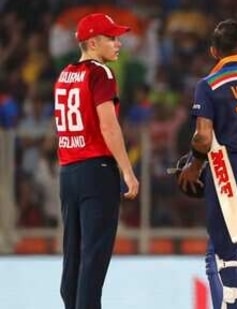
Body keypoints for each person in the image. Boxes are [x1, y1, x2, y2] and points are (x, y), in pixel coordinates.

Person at [177, 19, 237, 308]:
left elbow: (203, 138)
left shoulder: (209, 85)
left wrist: (193, 163)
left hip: (229, 171)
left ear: (214, 51)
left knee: (227, 254)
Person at [53, 13, 139, 309]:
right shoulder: (101, 74)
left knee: (72, 258)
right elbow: (109, 126)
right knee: (94, 260)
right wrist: (128, 172)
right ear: (92, 42)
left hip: (68, 172)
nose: (118, 43)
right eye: (111, 38)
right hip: (97, 171)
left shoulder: (65, 74)